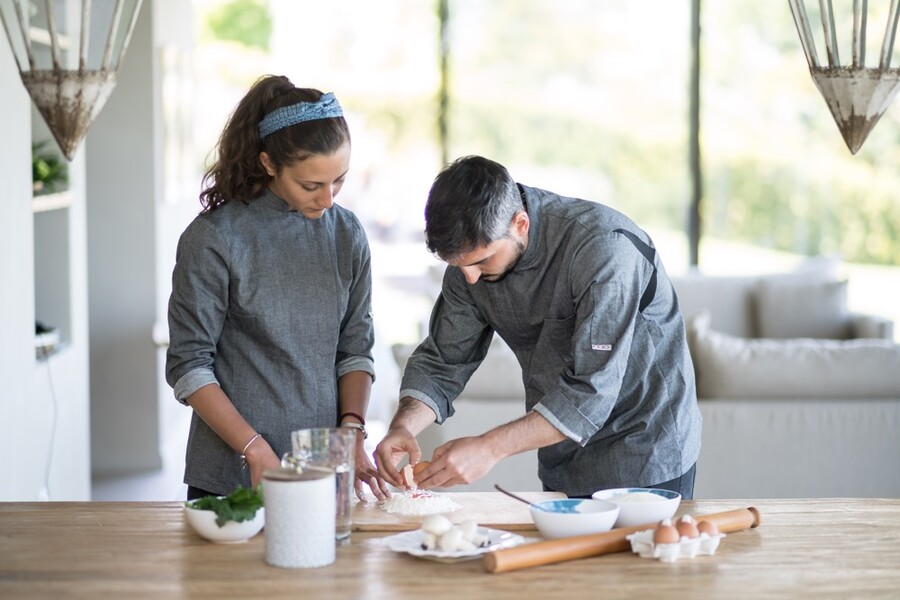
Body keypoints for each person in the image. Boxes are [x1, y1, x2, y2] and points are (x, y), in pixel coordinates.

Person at [374, 155, 701, 499]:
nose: (469, 277)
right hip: (562, 456)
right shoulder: (470, 265)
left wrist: (489, 447)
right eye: (458, 265)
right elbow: (443, 360)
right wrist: (403, 426)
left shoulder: (604, 250)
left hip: (646, 451)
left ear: (520, 224)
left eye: (482, 260)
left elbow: (591, 391)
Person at [166, 75, 389, 501]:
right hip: (233, 476)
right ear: (269, 163)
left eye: (338, 181)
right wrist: (254, 450)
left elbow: (355, 348)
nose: (327, 200)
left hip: (323, 474)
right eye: (311, 185)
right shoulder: (215, 238)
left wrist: (352, 430)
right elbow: (189, 365)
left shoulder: (346, 234)